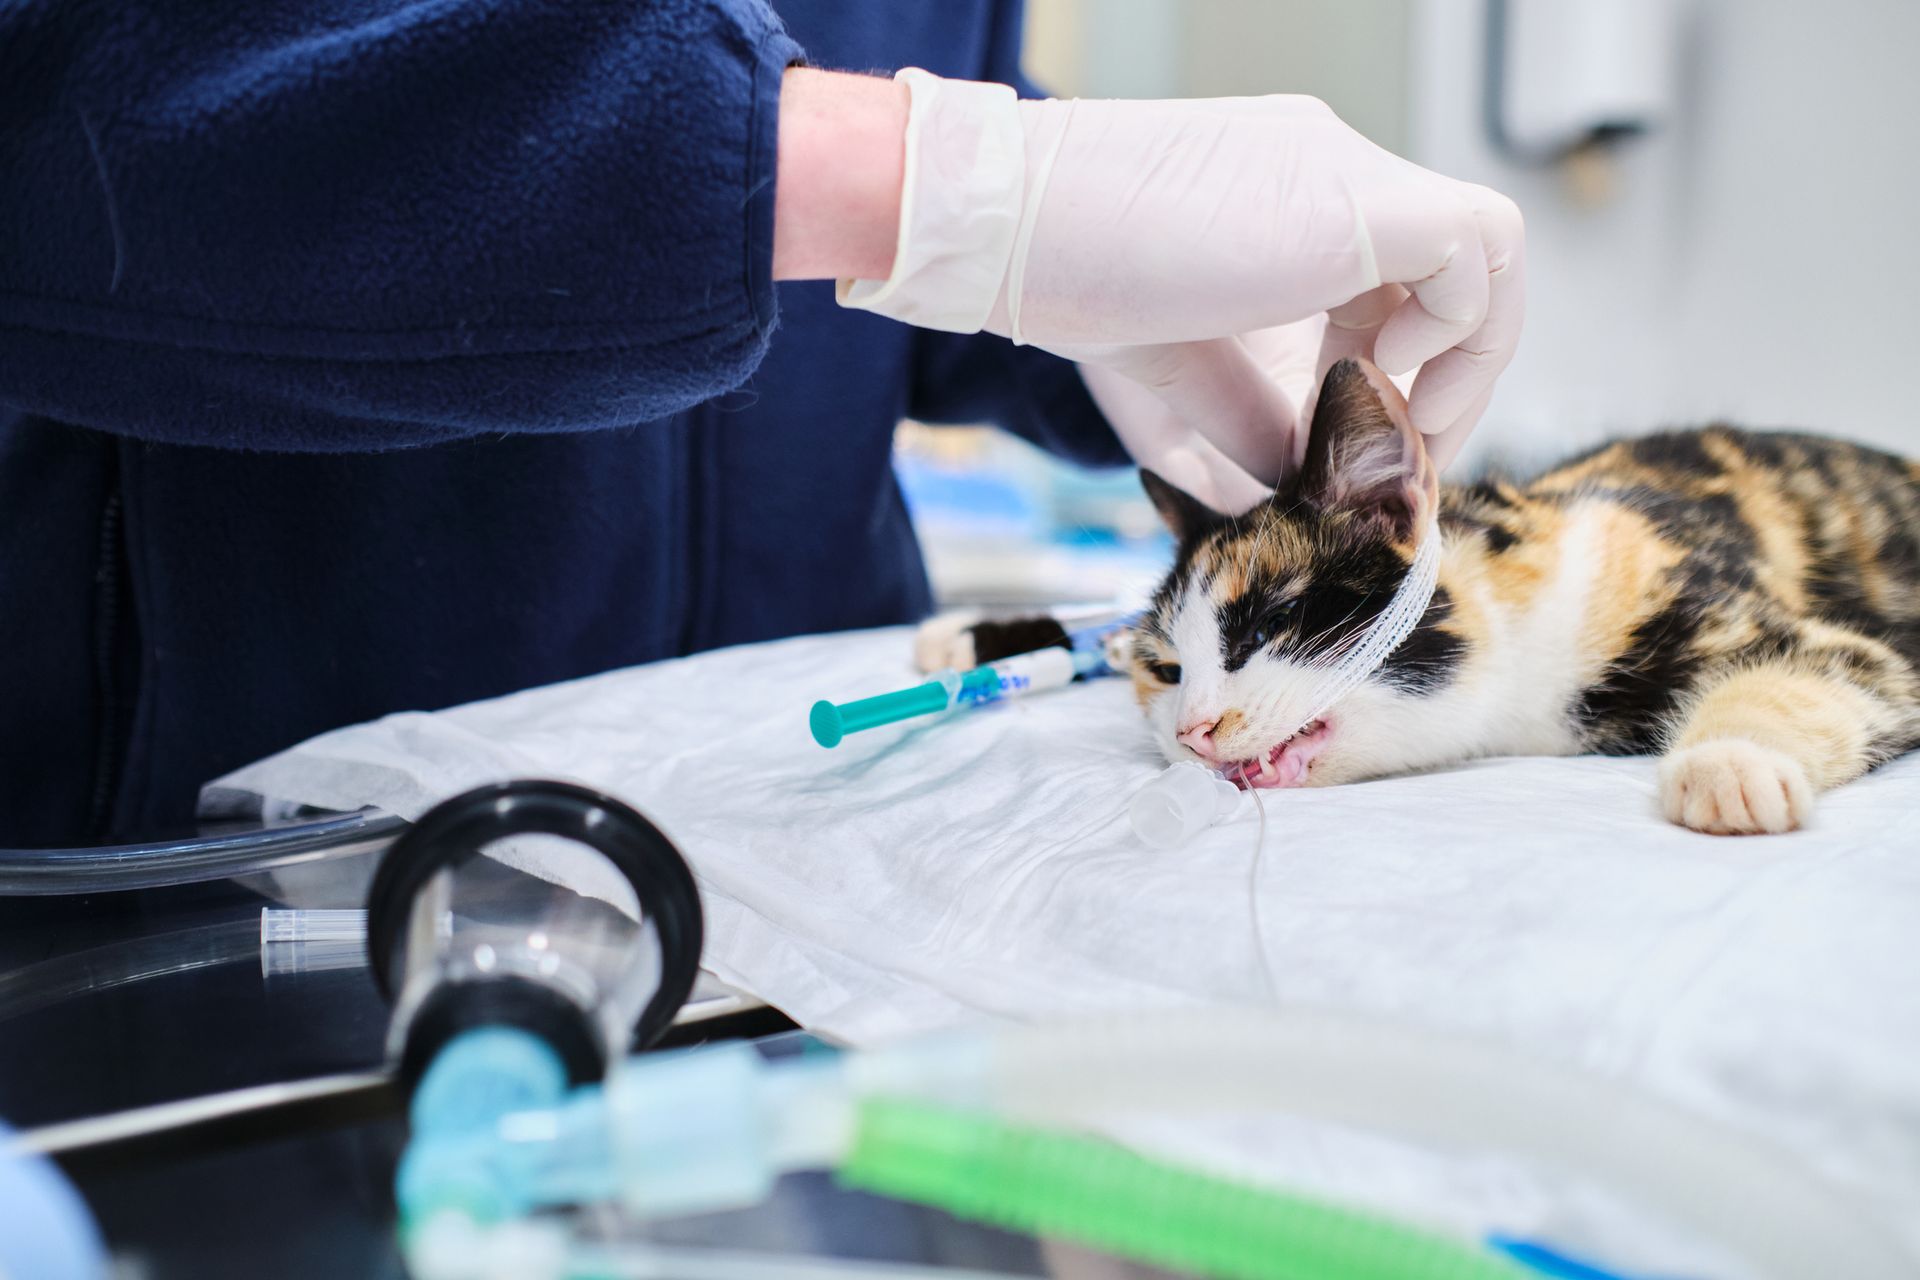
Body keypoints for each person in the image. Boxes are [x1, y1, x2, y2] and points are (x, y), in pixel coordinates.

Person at [0, 0, 1523, 846]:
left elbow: (920, 132)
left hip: (819, 828)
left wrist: (1132, 307)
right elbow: (71, 122)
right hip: (245, 867)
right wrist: (939, 190)